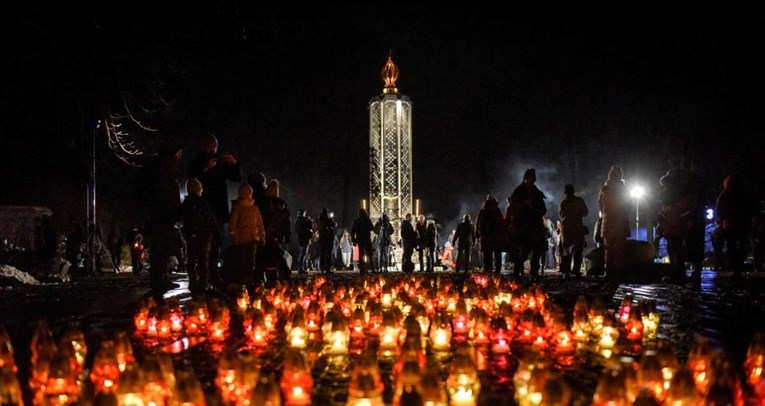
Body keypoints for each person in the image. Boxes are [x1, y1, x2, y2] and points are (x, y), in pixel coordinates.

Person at [187, 133, 242, 286]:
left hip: (218, 207)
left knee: (216, 243)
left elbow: (237, 178)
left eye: (214, 146)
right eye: (209, 146)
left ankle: (214, 275)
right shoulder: (197, 162)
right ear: (203, 147)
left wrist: (233, 163)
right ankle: (202, 276)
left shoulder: (221, 162)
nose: (212, 149)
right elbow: (192, 180)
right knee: (204, 245)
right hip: (203, 207)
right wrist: (205, 168)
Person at [144, 140, 184, 294]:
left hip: (162, 213)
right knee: (161, 248)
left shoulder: (163, 165)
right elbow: (166, 192)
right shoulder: (166, 167)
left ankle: (161, 278)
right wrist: (173, 210)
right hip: (163, 213)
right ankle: (158, 280)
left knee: (162, 249)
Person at [180, 177, 221, 294]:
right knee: (203, 260)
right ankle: (204, 283)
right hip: (203, 236)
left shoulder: (185, 204)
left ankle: (193, 283)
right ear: (199, 189)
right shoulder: (202, 203)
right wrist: (215, 233)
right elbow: (211, 219)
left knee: (191, 260)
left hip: (190, 236)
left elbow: (180, 218)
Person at [508, 169, 548, 279]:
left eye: (533, 178)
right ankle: (517, 269)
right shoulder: (518, 192)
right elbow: (512, 208)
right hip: (523, 226)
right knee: (524, 251)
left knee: (537, 250)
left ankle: (534, 273)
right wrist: (523, 205)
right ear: (526, 178)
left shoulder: (536, 192)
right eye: (530, 178)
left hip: (535, 226)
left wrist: (534, 208)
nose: (532, 180)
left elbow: (543, 210)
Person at [715, 174, 751, 280]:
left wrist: (722, 222)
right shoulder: (743, 195)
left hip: (730, 225)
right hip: (741, 224)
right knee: (741, 246)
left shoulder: (724, 195)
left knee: (732, 247)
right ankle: (738, 267)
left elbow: (719, 209)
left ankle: (736, 268)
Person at [229, 183, 266, 287]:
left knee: (251, 261)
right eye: (246, 191)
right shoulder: (237, 208)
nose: (248, 193)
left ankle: (250, 281)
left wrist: (262, 236)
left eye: (249, 191)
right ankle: (242, 281)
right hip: (242, 239)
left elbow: (259, 223)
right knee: (243, 261)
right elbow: (233, 223)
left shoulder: (254, 208)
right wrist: (235, 236)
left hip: (253, 238)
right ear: (241, 193)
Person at [598, 165, 631, 278]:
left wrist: (604, 213)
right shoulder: (624, 188)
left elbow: (600, 205)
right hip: (621, 222)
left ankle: (609, 271)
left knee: (609, 247)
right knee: (619, 248)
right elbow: (629, 205)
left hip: (608, 222)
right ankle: (619, 271)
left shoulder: (605, 188)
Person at [258, 179, 291, 282]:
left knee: (272, 258)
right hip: (269, 235)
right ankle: (277, 279)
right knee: (271, 257)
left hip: (273, 235)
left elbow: (286, 222)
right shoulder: (266, 204)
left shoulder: (278, 204)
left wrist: (286, 233)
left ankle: (275, 279)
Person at [558, 184, 589, 279]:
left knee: (567, 252)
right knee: (577, 251)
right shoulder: (579, 201)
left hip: (567, 229)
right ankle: (576, 271)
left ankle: (566, 272)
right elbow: (586, 212)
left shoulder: (563, 203)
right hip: (576, 229)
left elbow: (561, 215)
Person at [476, 196, 504, 274]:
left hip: (487, 235)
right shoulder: (496, 211)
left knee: (487, 253)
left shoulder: (483, 211)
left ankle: (488, 268)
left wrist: (477, 234)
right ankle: (496, 268)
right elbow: (501, 222)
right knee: (496, 252)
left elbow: (478, 223)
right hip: (494, 235)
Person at [351, 208, 375, 274]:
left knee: (361, 254)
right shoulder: (367, 220)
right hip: (367, 238)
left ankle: (362, 269)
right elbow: (371, 228)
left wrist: (353, 240)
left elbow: (353, 231)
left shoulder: (356, 221)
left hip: (359, 239)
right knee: (370, 254)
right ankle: (372, 268)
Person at [316, 208, 337, 274]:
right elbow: (335, 224)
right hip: (328, 238)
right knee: (328, 254)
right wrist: (332, 218)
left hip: (321, 238)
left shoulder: (318, 220)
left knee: (322, 253)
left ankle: (322, 268)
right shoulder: (328, 220)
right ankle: (327, 269)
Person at [294, 209, 313, 274]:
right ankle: (300, 268)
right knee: (303, 254)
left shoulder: (296, 221)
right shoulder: (304, 220)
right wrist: (309, 220)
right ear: (303, 213)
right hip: (304, 239)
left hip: (300, 239)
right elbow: (310, 226)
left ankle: (300, 268)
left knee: (301, 253)